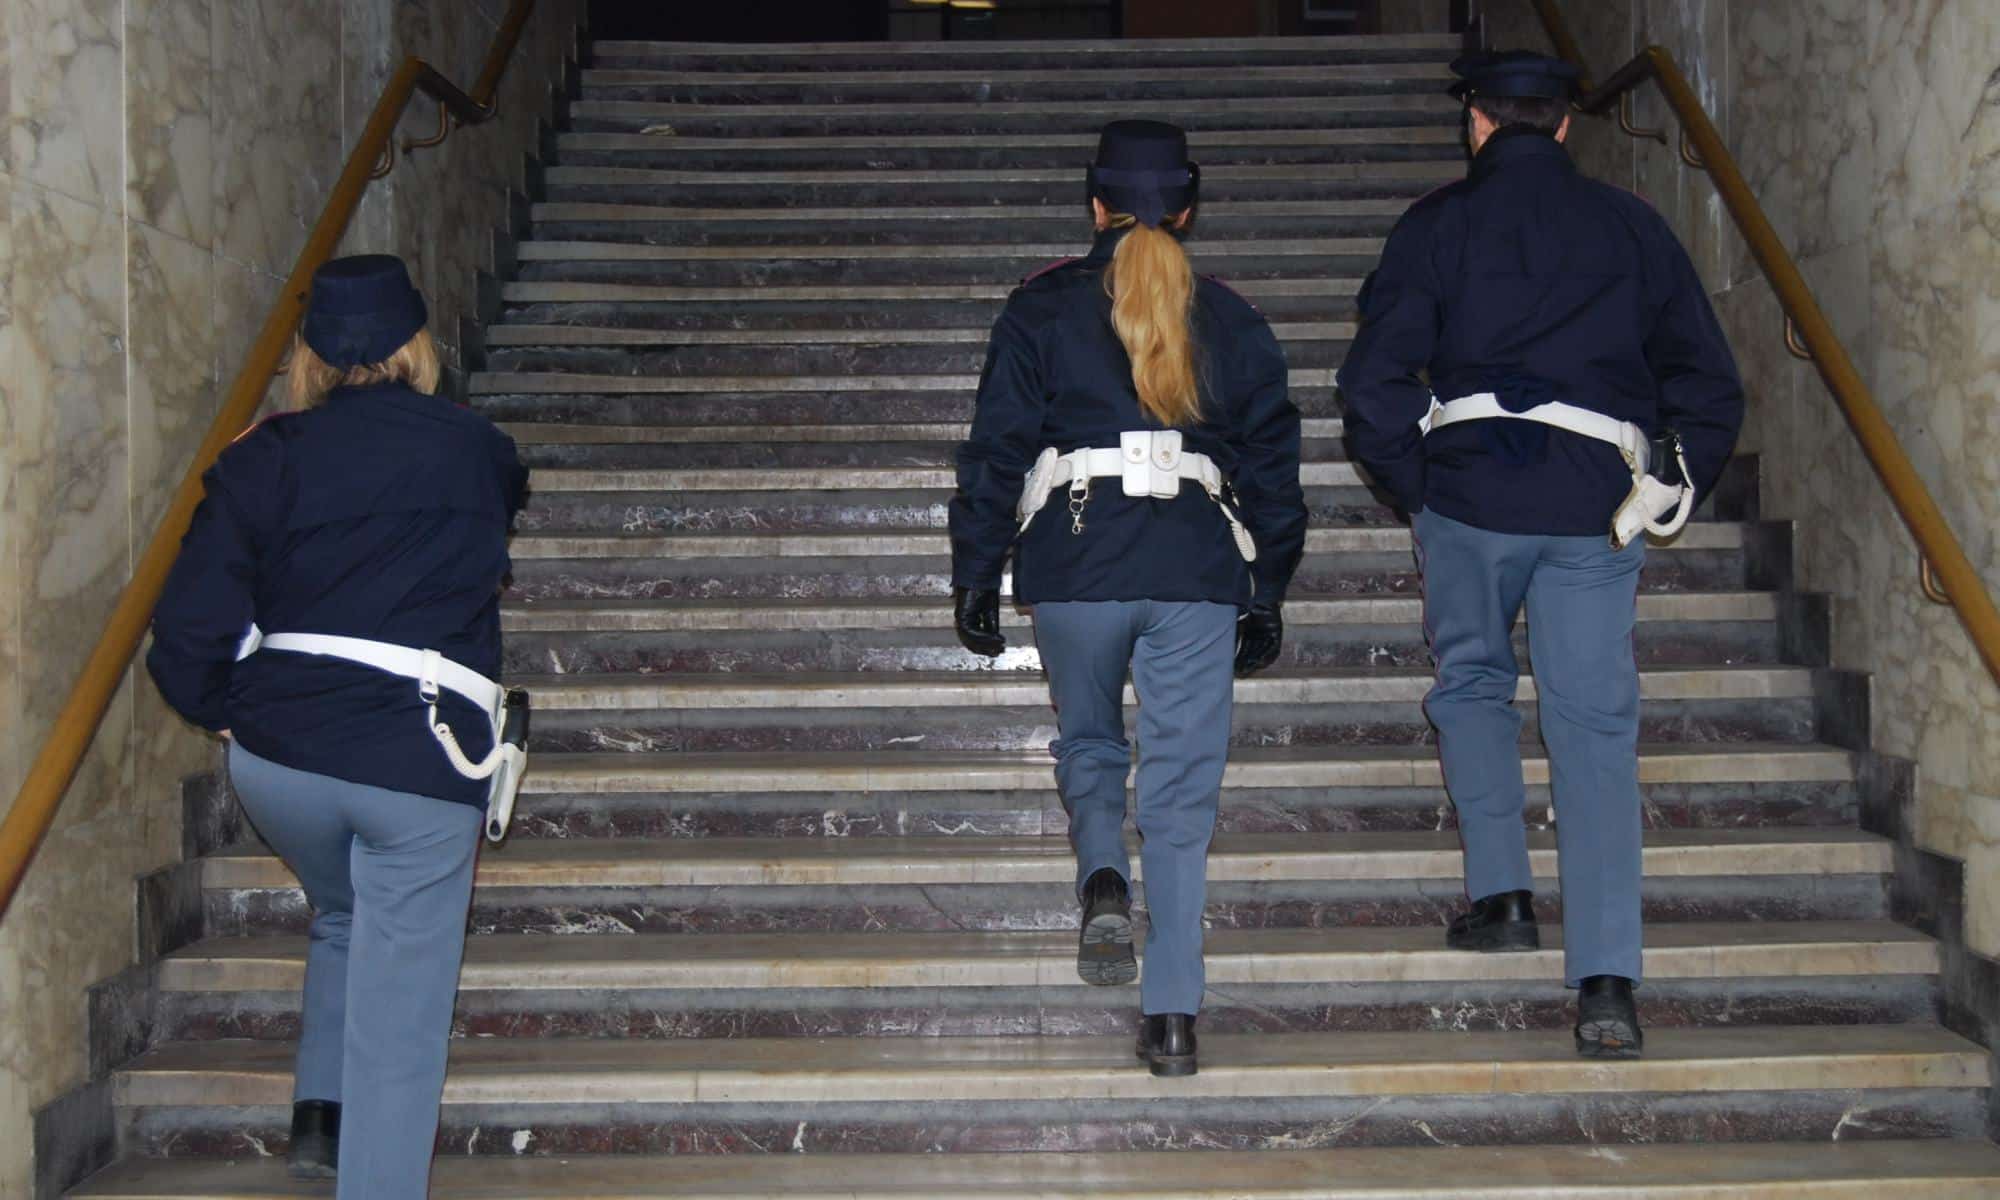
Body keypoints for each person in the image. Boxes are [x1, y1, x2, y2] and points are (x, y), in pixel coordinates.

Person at [1339, 51, 1745, 1059]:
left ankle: (1503, 897)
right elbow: (1705, 375)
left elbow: (1371, 379)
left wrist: (1411, 483)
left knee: (1471, 686)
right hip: (1591, 505)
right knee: (1593, 728)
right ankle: (1605, 980)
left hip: (1468, 496)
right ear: (1564, 125)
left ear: (1475, 123)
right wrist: (1673, 479)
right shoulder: (1631, 227)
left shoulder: (1434, 224)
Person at [148, 255, 529, 1197]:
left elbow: (186, 631)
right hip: (417, 757)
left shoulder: (260, 456)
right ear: (417, 346)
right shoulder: (478, 449)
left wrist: (225, 712)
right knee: (400, 1025)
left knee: (346, 910)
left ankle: (321, 1117)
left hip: (282, 768)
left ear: (309, 357)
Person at [949, 120, 1308, 1078]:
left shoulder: (1038, 308)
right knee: (1183, 796)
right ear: (1188, 210)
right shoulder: (1232, 317)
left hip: (1073, 563)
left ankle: (1103, 872)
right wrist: (1265, 586)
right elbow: (1274, 465)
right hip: (1193, 569)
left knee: (1093, 740)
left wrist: (977, 572)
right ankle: (1174, 1018)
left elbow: (994, 452)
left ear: (1094, 205)